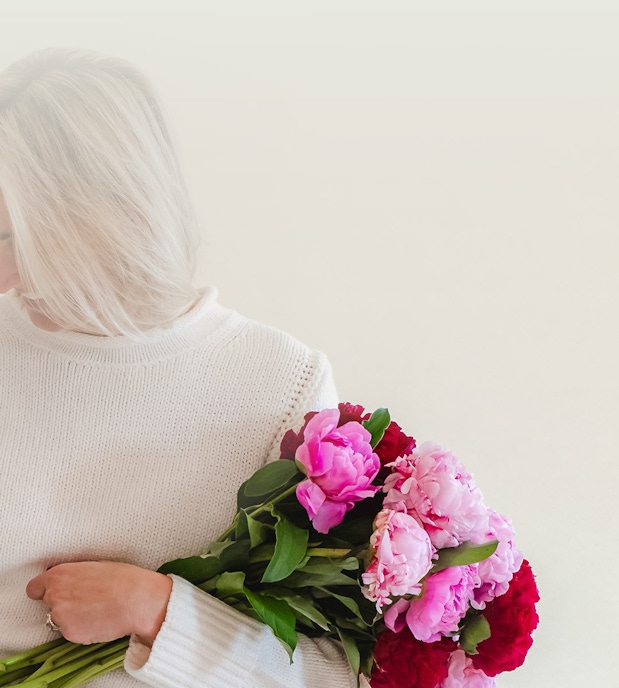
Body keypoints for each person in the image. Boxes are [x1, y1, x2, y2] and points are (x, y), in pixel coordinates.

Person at [0, 49, 363, 688]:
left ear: (104, 213)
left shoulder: (279, 387)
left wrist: (156, 610)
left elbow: (335, 673)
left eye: (14, 239)